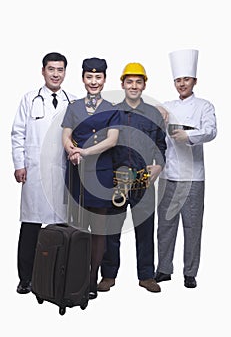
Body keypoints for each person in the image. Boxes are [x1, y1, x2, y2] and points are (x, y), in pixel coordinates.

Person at [11, 52, 77, 294]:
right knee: (30, 227)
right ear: (43, 71)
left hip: (62, 172)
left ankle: (58, 276)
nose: (56, 74)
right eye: (51, 69)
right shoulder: (29, 99)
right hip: (35, 172)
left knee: (61, 227)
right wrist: (19, 164)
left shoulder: (73, 100)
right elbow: (18, 133)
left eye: (60, 70)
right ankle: (25, 278)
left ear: (65, 73)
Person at [98, 62, 167, 293]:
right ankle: (108, 275)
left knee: (145, 229)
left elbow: (161, 146)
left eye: (139, 82)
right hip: (116, 180)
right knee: (111, 231)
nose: (134, 86)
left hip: (144, 180)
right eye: (130, 82)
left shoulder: (153, 114)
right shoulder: (112, 112)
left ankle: (146, 276)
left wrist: (159, 167)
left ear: (144, 85)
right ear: (123, 84)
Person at [155, 49, 217, 288]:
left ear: (194, 81)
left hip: (193, 177)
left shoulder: (204, 106)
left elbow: (211, 131)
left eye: (186, 80)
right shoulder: (167, 106)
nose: (182, 84)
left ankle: (190, 272)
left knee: (192, 226)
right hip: (169, 175)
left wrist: (188, 135)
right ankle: (163, 269)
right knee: (166, 225)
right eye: (178, 80)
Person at [61, 57, 120, 299]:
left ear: (104, 79)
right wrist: (70, 151)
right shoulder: (73, 107)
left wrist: (83, 151)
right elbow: (65, 135)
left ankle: (92, 278)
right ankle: (75, 278)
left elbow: (112, 140)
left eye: (98, 77)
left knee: (98, 231)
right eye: (89, 77)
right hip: (77, 175)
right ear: (83, 78)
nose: (93, 81)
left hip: (102, 176)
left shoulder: (112, 108)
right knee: (77, 227)